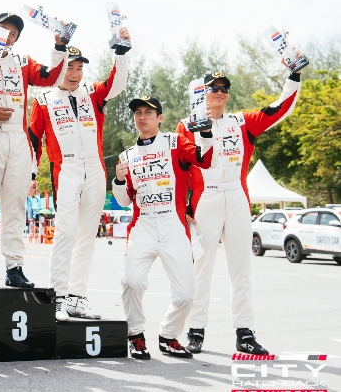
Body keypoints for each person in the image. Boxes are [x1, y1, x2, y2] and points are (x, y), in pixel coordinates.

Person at [177, 69, 302, 355]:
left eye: (224, 88)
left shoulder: (242, 121)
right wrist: (182, 205)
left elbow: (280, 108)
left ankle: (244, 332)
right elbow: (179, 166)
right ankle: (195, 331)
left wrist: (293, 74)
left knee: (241, 269)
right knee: (201, 269)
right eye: (214, 88)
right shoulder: (187, 125)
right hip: (205, 199)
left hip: (236, 196)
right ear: (202, 92)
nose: (220, 92)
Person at [28, 37, 129, 320]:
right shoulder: (43, 100)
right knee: (65, 233)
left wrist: (121, 52)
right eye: (69, 67)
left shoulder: (92, 93)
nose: (74, 74)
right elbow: (34, 140)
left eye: (79, 68)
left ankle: (77, 297)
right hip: (66, 171)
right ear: (59, 67)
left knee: (87, 237)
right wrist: (31, 174)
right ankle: (58, 297)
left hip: (95, 169)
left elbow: (117, 83)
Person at [113, 96, 213, 360]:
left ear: (160, 118)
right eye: (138, 112)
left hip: (173, 225)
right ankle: (135, 335)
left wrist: (205, 133)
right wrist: (119, 179)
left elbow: (204, 159)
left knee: (186, 294)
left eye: (148, 112)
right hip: (143, 225)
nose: (142, 117)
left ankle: (168, 336)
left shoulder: (175, 142)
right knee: (132, 281)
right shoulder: (127, 156)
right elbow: (124, 201)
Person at [0, 13, 66, 288]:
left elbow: (51, 77)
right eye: (4, 29)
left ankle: (14, 267)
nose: (8, 35)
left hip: (17, 137)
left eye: (13, 33)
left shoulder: (22, 61)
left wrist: (59, 46)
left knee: (15, 207)